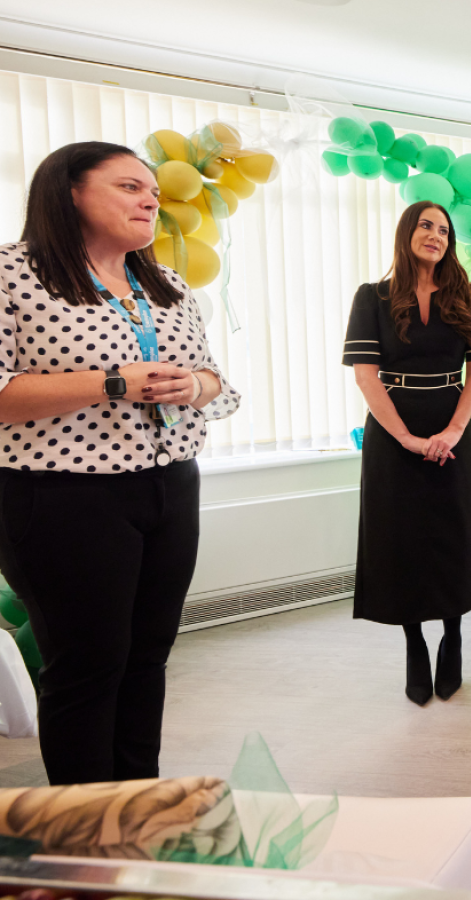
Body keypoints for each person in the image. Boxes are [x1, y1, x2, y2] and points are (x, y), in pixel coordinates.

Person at [0, 141, 240, 785]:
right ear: (70, 192)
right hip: (62, 494)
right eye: (130, 187)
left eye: (153, 192)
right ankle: (88, 828)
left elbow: (216, 381)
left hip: (169, 485)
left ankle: (138, 809)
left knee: (147, 658)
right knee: (88, 666)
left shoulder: (165, 283)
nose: (150, 201)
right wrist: (112, 382)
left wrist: (193, 386)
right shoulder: (11, 273)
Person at [342, 202, 471, 707]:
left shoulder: (467, 296)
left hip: (452, 428)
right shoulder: (372, 297)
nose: (436, 235)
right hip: (392, 431)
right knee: (400, 539)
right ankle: (414, 644)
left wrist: (454, 430)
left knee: (452, 537)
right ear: (406, 232)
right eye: (426, 226)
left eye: (444, 230)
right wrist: (406, 438)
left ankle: (453, 637)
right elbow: (366, 376)